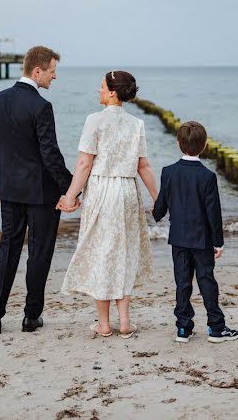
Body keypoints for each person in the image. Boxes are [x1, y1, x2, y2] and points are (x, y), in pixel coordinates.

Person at [0, 46, 75, 334]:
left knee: (7, 250)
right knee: (39, 252)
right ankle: (30, 316)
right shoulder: (41, 106)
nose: (54, 77)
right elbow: (50, 154)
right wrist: (71, 187)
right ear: (37, 71)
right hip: (40, 193)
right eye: (52, 71)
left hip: (8, 189)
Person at [60, 70, 157, 338]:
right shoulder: (136, 123)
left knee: (101, 253)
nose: (98, 89)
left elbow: (84, 164)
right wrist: (158, 198)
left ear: (113, 92)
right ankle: (125, 322)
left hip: (102, 190)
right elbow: (144, 166)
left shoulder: (94, 121)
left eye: (102, 86)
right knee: (124, 253)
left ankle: (104, 324)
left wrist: (70, 196)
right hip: (127, 190)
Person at [152, 121, 238, 343]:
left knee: (182, 282)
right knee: (206, 281)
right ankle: (216, 328)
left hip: (179, 239)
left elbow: (161, 205)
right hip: (202, 240)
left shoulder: (168, 172)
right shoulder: (207, 176)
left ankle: (183, 328)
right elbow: (213, 213)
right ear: (205, 145)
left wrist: (155, 214)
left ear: (178, 143)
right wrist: (218, 243)